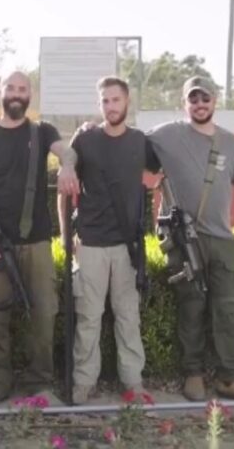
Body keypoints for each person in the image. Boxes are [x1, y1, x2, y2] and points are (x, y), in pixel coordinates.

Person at [0, 71, 79, 408]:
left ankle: (40, 383)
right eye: (10, 88)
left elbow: (66, 152)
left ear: (31, 95)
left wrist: (67, 166)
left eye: (22, 89)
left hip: (37, 241)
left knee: (44, 313)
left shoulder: (42, 132)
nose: (16, 93)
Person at [145, 76, 234, 401]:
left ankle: (229, 377)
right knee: (191, 307)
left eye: (205, 98)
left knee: (228, 309)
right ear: (185, 103)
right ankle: (192, 373)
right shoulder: (166, 134)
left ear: (215, 101)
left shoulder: (231, 142)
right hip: (184, 239)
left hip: (222, 238)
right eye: (193, 99)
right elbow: (127, 144)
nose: (199, 104)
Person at [58, 77, 160, 405]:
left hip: (127, 245)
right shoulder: (85, 139)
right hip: (90, 242)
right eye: (105, 101)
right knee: (88, 317)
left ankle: (133, 382)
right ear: (99, 103)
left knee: (128, 315)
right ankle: (83, 382)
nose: (111, 106)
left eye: (116, 100)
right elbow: (66, 178)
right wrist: (64, 237)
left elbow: (163, 172)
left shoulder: (141, 141)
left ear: (127, 102)